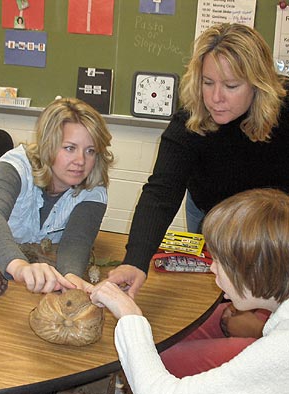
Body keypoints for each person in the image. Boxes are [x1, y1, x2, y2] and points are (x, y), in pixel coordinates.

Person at [107, 22, 289, 299]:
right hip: (212, 211)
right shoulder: (189, 121)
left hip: (276, 219)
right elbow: (161, 193)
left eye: (230, 85)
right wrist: (135, 261)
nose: (215, 98)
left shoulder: (283, 111)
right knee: (220, 291)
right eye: (207, 82)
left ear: (257, 84)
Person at [89, 188, 289, 394]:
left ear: (255, 271)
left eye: (220, 262)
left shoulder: (281, 352)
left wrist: (129, 316)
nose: (212, 268)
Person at [0, 98, 113, 294]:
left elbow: (77, 241)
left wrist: (71, 278)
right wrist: (20, 267)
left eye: (90, 151)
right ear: (49, 145)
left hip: (45, 272)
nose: (81, 161)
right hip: (0, 259)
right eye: (70, 148)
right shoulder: (16, 166)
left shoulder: (94, 188)